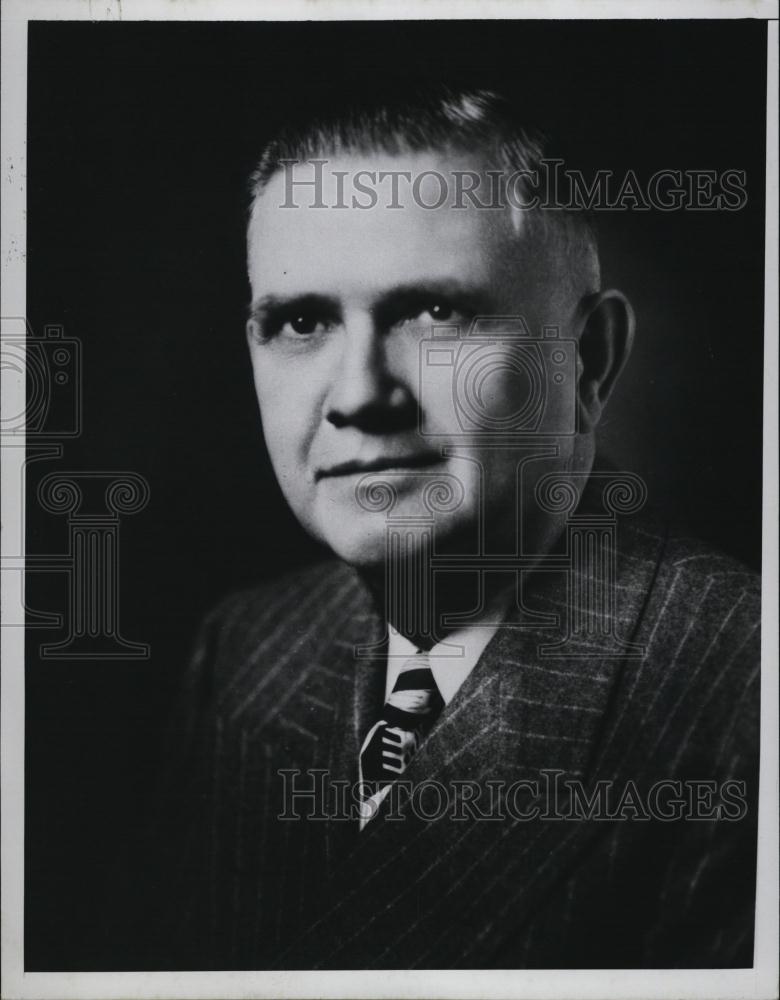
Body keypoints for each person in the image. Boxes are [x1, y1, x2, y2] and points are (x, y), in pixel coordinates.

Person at [150, 87, 760, 970]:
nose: (360, 395)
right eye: (302, 321)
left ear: (588, 362)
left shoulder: (742, 692)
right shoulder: (243, 649)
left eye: (436, 313)